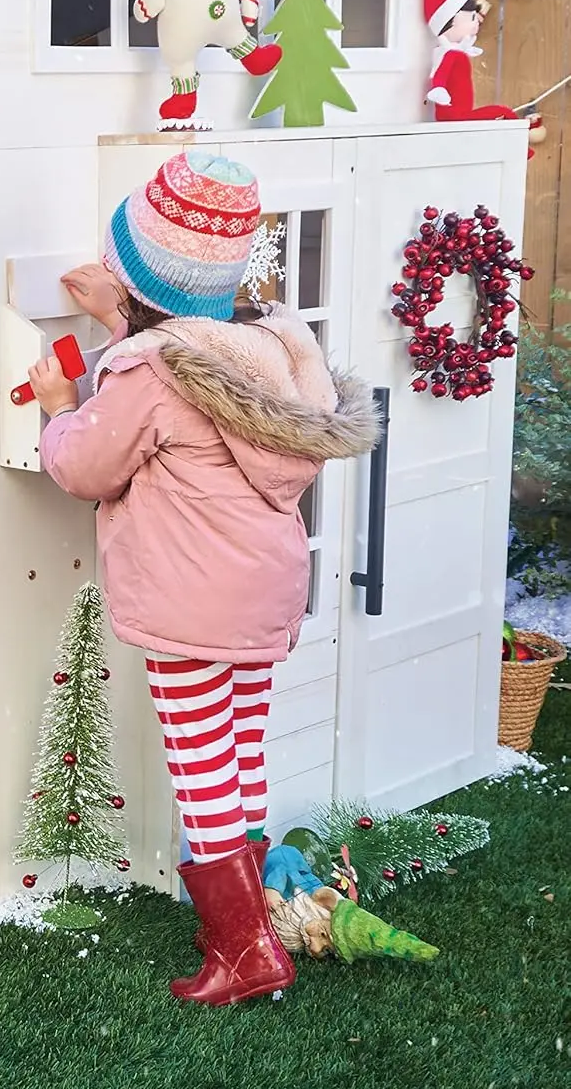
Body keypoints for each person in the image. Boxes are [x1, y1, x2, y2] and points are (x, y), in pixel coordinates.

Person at [25, 150, 378, 1006]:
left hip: (188, 601)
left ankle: (244, 952)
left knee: (198, 763)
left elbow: (86, 467)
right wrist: (121, 314)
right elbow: (184, 352)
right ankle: (257, 913)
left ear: (142, 280)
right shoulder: (269, 348)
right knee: (239, 747)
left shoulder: (146, 374)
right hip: (263, 589)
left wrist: (58, 409)